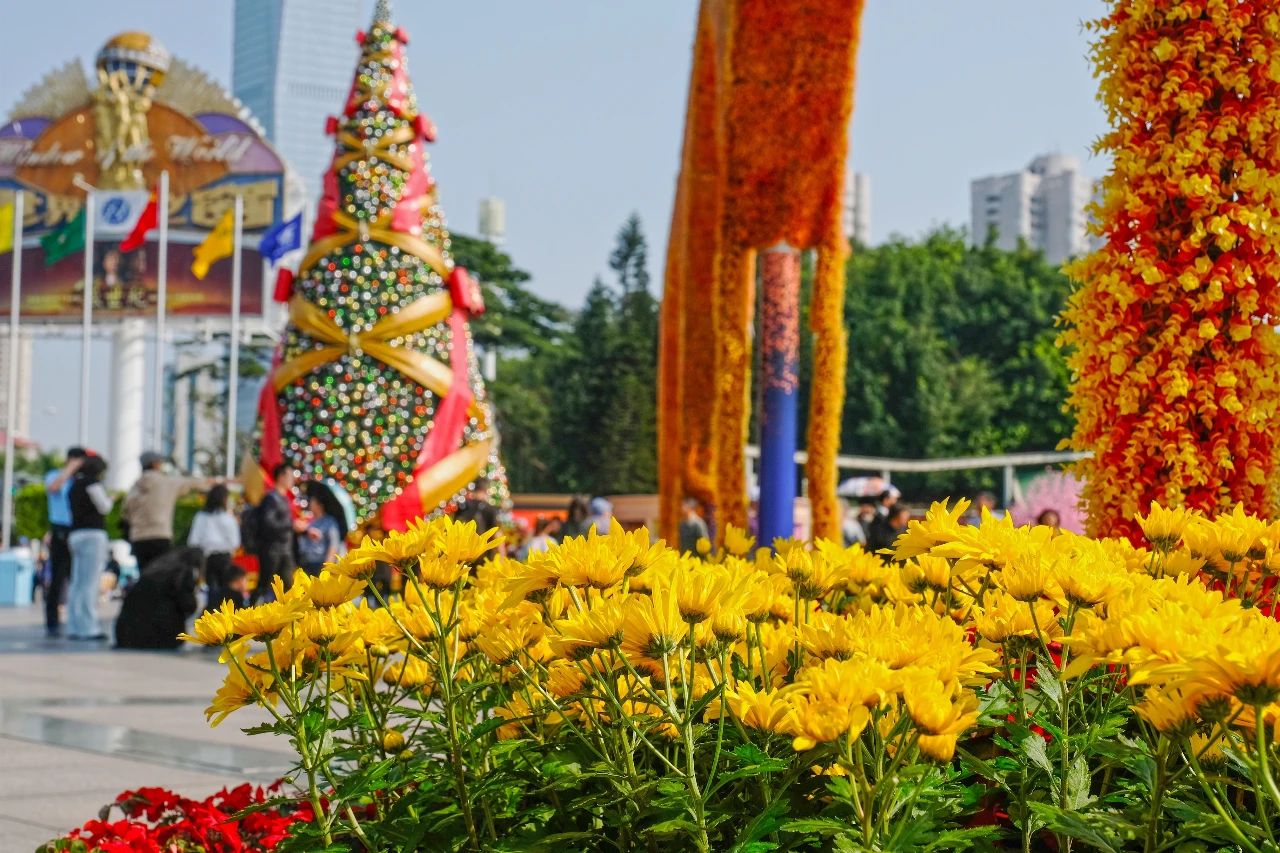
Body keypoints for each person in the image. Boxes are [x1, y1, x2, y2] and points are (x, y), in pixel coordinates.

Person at [121, 452, 211, 570]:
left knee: (144, 574)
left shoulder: (135, 487)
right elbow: (194, 483)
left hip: (138, 537)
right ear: (155, 464)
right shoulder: (166, 482)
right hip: (160, 535)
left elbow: (125, 513)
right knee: (161, 573)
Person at [114, 547, 202, 650]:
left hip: (126, 637)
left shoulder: (156, 569)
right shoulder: (182, 571)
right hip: (158, 637)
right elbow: (188, 604)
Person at [66, 454, 113, 640]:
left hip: (75, 534)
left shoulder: (73, 486)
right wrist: (111, 499)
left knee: (77, 582)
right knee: (90, 583)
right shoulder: (93, 484)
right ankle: (89, 628)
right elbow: (104, 507)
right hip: (93, 535)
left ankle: (74, 625)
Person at [43, 447, 87, 637]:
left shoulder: (80, 481)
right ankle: (52, 620)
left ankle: (78, 619)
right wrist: (69, 469)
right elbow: (53, 488)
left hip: (77, 529)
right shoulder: (54, 475)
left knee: (77, 577)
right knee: (58, 577)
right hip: (60, 529)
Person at [186, 485, 241, 612]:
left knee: (212, 591)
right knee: (225, 591)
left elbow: (193, 541)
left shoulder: (201, 517)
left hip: (208, 557)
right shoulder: (228, 518)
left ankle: (212, 615)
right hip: (223, 557)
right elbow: (235, 542)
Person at [251, 463, 300, 604]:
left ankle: (288, 615)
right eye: (290, 476)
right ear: (281, 476)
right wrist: (292, 525)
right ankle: (251, 611)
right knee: (264, 585)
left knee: (288, 588)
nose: (293, 479)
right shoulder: (271, 498)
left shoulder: (284, 498)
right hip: (271, 551)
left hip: (285, 550)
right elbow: (268, 524)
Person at [297, 481, 345, 576]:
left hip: (319, 565)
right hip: (305, 563)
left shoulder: (330, 522)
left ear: (319, 504)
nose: (309, 503)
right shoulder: (308, 520)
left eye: (312, 500)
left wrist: (326, 569)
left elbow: (333, 545)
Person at [454, 479, 502, 562]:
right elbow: (497, 535)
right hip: (482, 558)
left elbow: (454, 530)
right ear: (486, 490)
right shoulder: (490, 509)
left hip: (459, 557)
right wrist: (501, 559)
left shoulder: (463, 507)